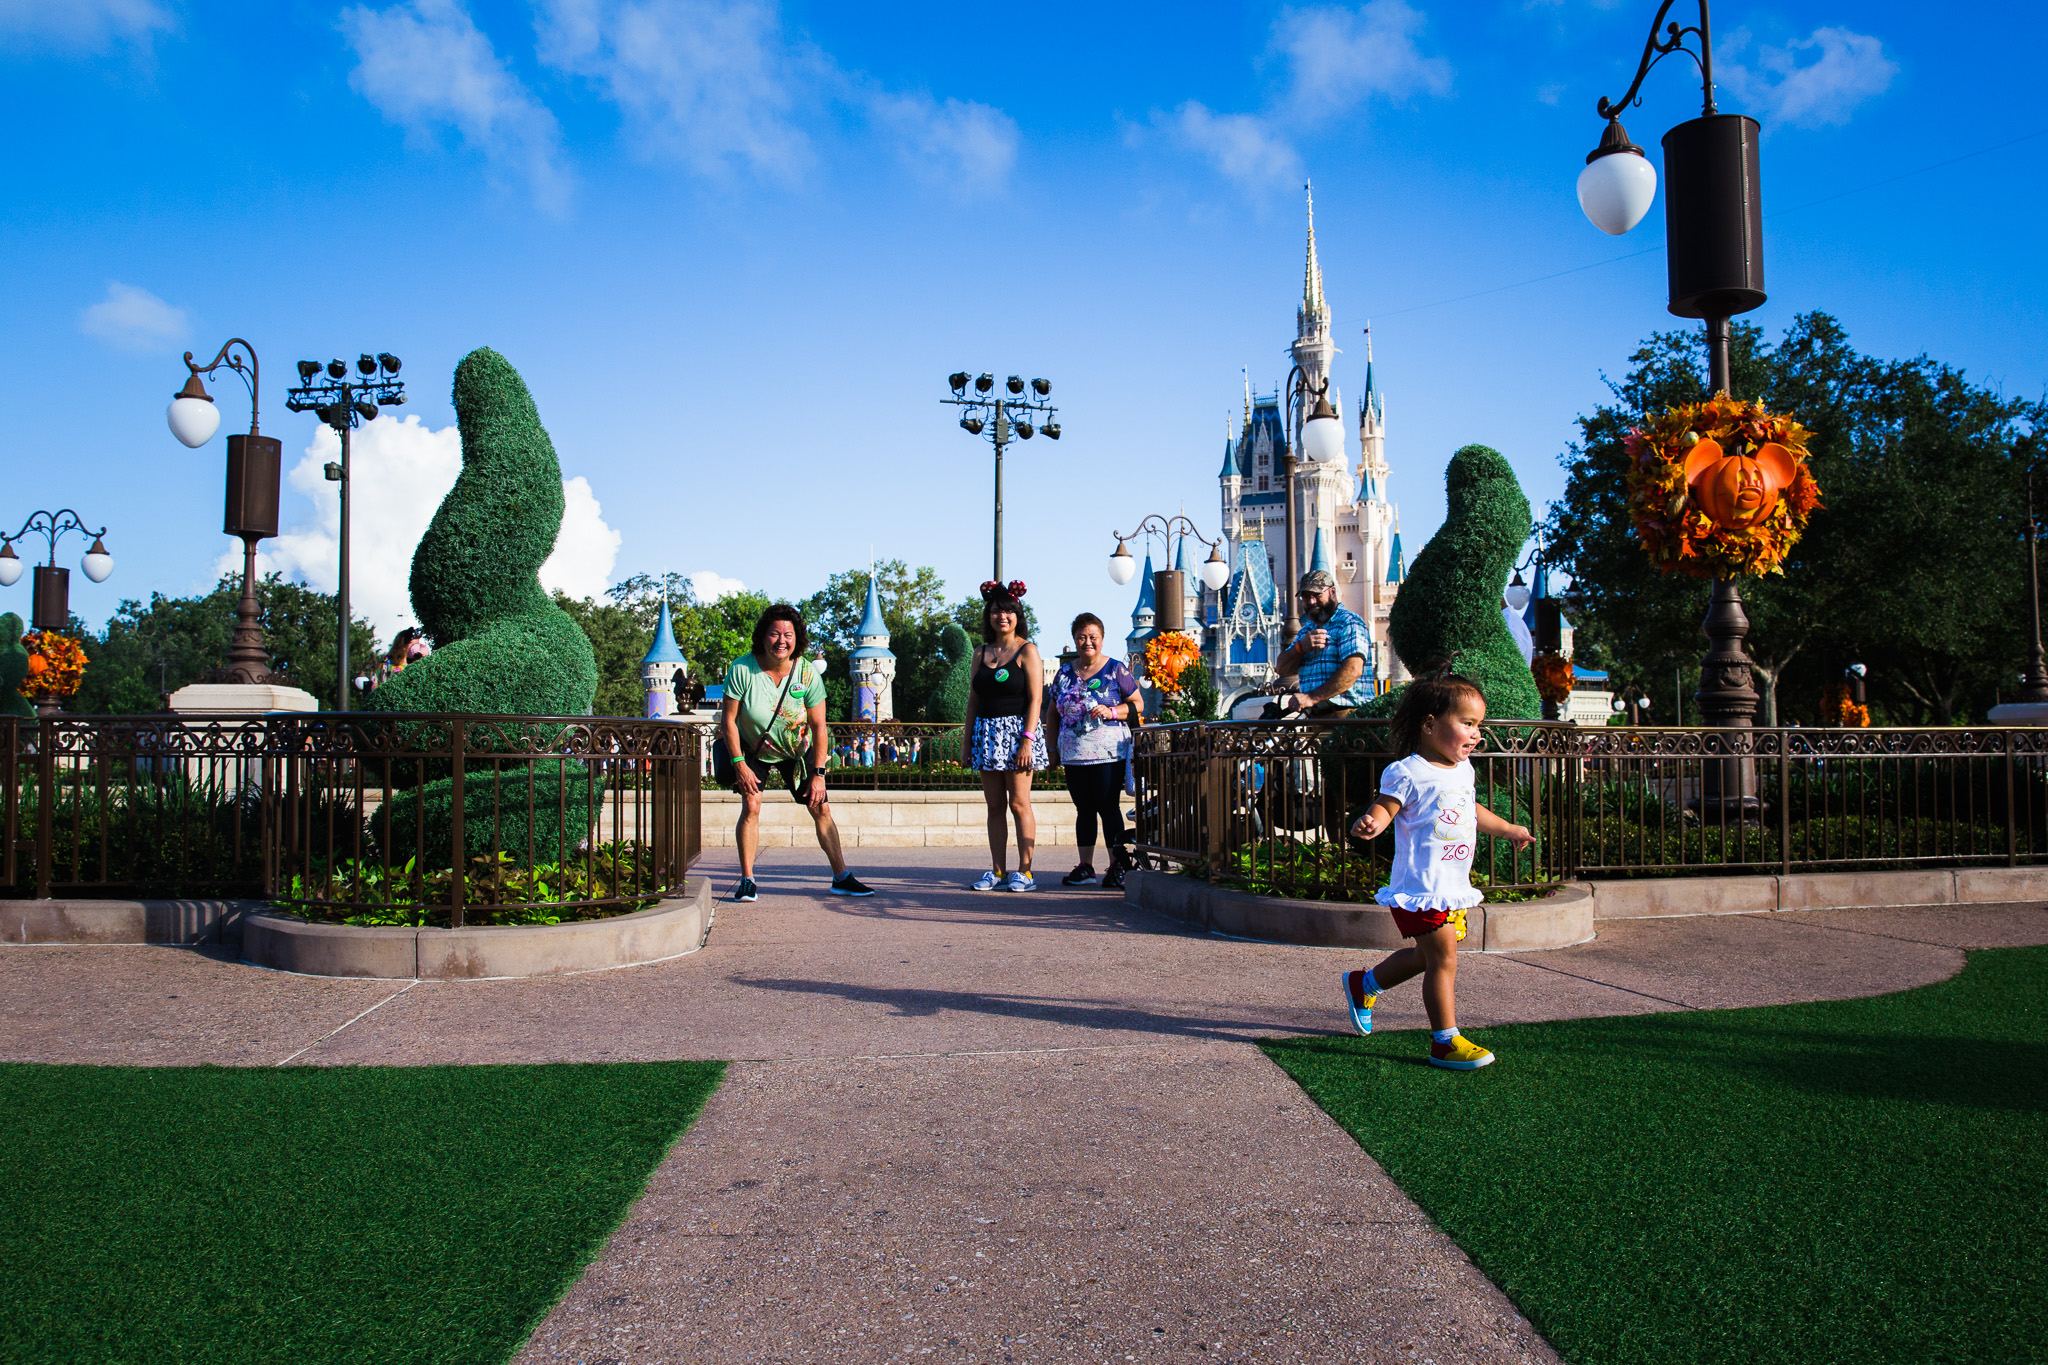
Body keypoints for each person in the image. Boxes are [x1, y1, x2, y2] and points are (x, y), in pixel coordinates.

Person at [1339, 672, 1533, 1070]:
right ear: (1429, 725)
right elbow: (1385, 806)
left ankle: (1364, 984)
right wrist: (1372, 822)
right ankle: (1445, 1041)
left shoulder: (1463, 770)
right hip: (1420, 887)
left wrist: (1509, 828)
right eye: (1467, 723)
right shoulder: (1407, 771)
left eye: (1478, 725)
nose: (1476, 733)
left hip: (1450, 886)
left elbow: (1470, 811)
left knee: (1427, 958)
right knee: (1443, 959)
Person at [719, 603, 873, 902]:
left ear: (797, 638)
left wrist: (818, 775)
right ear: (763, 637)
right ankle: (748, 880)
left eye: (787, 634)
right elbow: (728, 721)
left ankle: (842, 877)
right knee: (751, 806)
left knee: (821, 807)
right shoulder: (742, 668)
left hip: (795, 750)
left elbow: (819, 726)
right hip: (753, 749)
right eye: (774, 634)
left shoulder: (806, 672)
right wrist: (739, 764)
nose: (781, 641)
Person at [960, 580, 1045, 891]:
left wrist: (1027, 739)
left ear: (1017, 615)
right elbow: (973, 700)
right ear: (989, 616)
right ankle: (997, 871)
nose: (1002, 617)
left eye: (1008, 611)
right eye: (996, 611)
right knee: (994, 805)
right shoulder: (980, 652)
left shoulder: (1027, 650)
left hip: (1017, 732)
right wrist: (967, 741)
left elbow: (1036, 699)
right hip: (986, 733)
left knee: (1019, 803)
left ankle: (1026, 871)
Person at [1050, 613, 1143, 889]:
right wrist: (1052, 748)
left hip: (1108, 754)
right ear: (1074, 640)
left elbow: (1137, 704)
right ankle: (1086, 867)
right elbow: (1052, 713)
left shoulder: (1116, 670)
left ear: (1102, 639)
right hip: (1074, 755)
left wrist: (1113, 711)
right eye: (1082, 637)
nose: (1087, 642)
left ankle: (1118, 866)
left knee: (1108, 808)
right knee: (1083, 810)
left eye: (1093, 637)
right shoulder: (1065, 673)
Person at [1271, 569, 1374, 717]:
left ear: (1332, 592)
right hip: (1316, 716)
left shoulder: (1349, 622)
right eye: (1306, 597)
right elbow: (1281, 669)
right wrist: (1300, 648)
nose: (1312, 601)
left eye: (1317, 595)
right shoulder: (1306, 631)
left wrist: (1311, 698)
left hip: (1349, 716)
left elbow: (1353, 670)